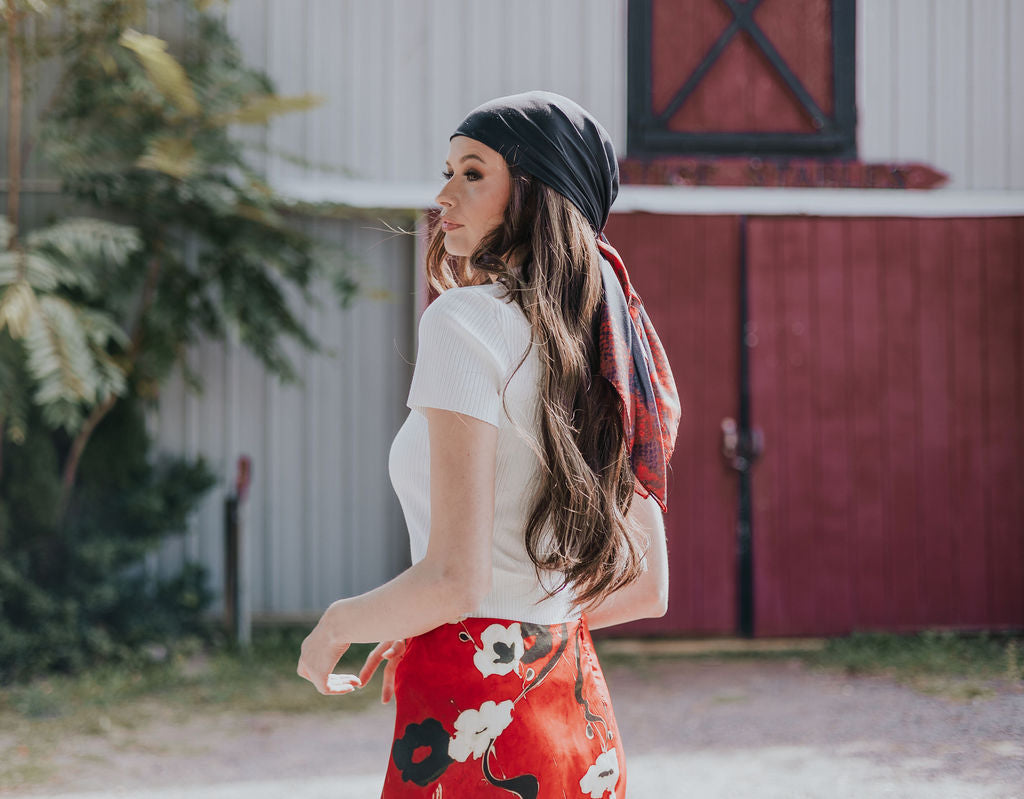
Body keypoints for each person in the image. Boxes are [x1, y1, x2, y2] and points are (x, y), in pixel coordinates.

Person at [297, 91, 680, 798]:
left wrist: (340, 623)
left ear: (534, 192)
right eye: (447, 171)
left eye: (472, 172)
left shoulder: (464, 323)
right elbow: (646, 586)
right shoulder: (606, 343)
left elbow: (455, 579)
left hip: (475, 726)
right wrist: (508, 631)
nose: (443, 194)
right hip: (576, 717)